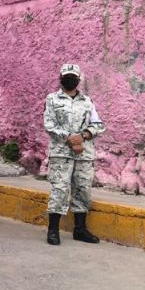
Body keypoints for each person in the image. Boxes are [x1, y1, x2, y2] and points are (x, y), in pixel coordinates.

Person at [44, 64, 105, 246]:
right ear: (61, 78)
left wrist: (84, 136)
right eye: (67, 76)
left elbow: (99, 125)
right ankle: (53, 230)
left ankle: (80, 229)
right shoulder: (52, 99)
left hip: (84, 154)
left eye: (73, 77)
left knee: (83, 190)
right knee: (60, 190)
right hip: (61, 154)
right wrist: (69, 138)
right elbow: (49, 124)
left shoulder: (87, 101)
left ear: (79, 80)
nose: (70, 79)